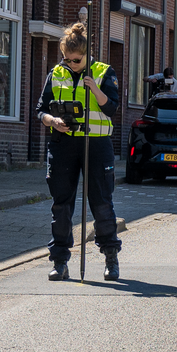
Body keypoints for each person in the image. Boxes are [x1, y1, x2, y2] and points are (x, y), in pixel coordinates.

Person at [35, 22, 122, 281]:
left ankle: (110, 259)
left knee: (101, 203)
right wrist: (52, 121)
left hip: (96, 144)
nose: (71, 63)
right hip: (64, 144)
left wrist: (94, 88)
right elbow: (41, 109)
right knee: (61, 205)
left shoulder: (104, 72)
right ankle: (60, 262)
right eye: (67, 59)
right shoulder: (56, 73)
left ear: (87, 55)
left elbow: (111, 109)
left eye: (76, 60)